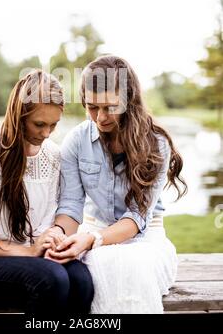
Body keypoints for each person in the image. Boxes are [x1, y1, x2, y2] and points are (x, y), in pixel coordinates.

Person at [0, 70, 94, 315]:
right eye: (39, 124)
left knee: (82, 281)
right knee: (52, 279)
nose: (46, 134)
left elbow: (54, 217)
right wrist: (27, 251)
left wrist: (51, 240)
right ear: (18, 115)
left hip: (33, 259)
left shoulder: (54, 156)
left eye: (53, 125)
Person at [45, 55, 187, 314]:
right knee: (86, 274)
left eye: (110, 107)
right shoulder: (76, 141)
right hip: (93, 230)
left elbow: (136, 218)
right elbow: (70, 205)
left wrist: (91, 240)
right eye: (91, 107)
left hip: (145, 240)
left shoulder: (156, 143)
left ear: (128, 101)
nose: (100, 117)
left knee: (128, 267)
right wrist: (59, 235)